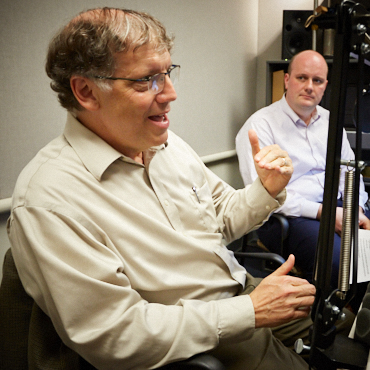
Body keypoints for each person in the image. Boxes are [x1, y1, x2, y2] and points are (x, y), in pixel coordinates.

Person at [6, 8, 319, 370]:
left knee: (342, 334)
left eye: (168, 73)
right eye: (147, 79)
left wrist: (266, 189)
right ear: (86, 91)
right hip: (201, 334)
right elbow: (117, 334)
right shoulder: (50, 200)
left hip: (239, 290)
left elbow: (222, 218)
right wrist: (247, 311)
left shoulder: (166, 146)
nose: (170, 93)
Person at [236, 49, 370, 287]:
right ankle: (325, 316)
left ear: (325, 86)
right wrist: (326, 214)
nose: (309, 86)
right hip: (287, 216)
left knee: (364, 252)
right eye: (302, 78)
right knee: (339, 261)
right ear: (287, 80)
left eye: (317, 81)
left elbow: (349, 172)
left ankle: (357, 312)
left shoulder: (332, 122)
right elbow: (264, 196)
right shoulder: (260, 126)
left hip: (338, 205)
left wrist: (355, 209)